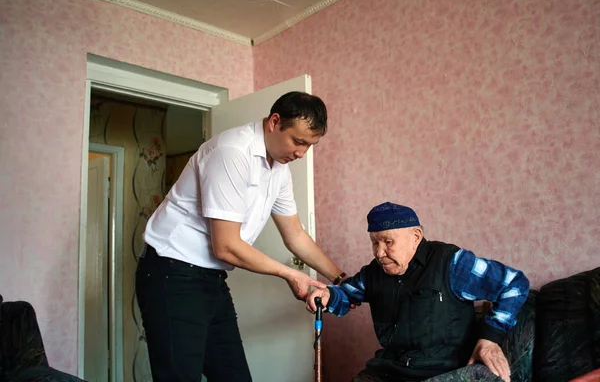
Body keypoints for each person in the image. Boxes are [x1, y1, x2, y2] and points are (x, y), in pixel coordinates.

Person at [136, 92, 346, 382]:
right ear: (274, 122)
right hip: (172, 274)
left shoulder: (279, 169)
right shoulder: (232, 151)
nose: (301, 153)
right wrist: (291, 275)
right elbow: (226, 246)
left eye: (310, 146)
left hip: (210, 280)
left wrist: (340, 279)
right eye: (298, 141)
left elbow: (295, 235)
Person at [306, 202, 530, 382]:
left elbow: (514, 284)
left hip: (443, 372)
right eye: (374, 243)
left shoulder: (450, 263)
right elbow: (346, 294)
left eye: (388, 242)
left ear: (415, 236)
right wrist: (329, 295)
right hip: (389, 371)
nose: (380, 252)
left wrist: (490, 338)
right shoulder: (374, 273)